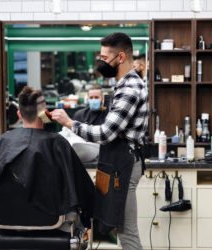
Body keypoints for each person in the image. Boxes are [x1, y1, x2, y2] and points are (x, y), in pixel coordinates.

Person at [52, 32, 148, 250]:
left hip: (124, 168)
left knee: (128, 233)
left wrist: (69, 122)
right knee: (121, 228)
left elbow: (105, 134)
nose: (101, 62)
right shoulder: (123, 85)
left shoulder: (130, 90)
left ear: (121, 57)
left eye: (105, 58)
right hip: (117, 165)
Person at [0, 86, 95, 230]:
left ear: (19, 114)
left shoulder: (3, 142)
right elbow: (85, 194)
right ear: (45, 114)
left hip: (5, 224)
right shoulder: (58, 143)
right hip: (54, 226)